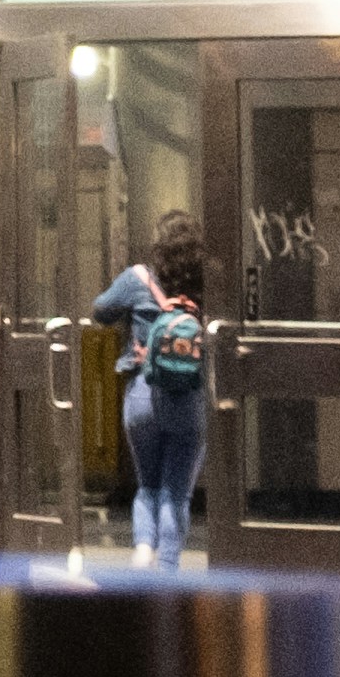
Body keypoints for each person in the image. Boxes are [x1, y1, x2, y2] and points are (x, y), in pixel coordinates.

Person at [85, 216, 214, 563]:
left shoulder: (138, 278)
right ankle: (168, 566)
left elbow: (101, 311)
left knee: (148, 485)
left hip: (143, 393)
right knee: (176, 492)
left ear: (158, 246)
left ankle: (143, 549)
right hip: (188, 396)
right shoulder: (208, 283)